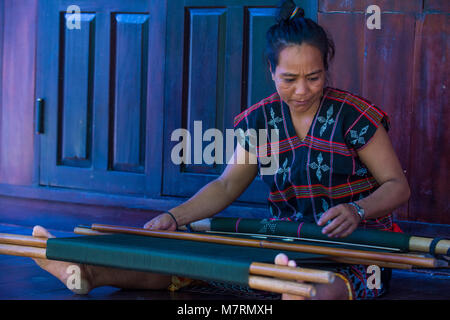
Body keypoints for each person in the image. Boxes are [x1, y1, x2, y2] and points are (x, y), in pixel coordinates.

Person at [32, 0, 410, 300]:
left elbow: (397, 185)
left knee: (320, 288)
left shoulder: (354, 115)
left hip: (357, 245)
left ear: (326, 70)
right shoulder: (260, 120)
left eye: (314, 77)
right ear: (270, 72)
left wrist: (357, 210)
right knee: (193, 260)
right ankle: (85, 272)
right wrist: (174, 216)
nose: (302, 90)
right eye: (289, 79)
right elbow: (227, 186)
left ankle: (295, 290)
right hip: (280, 240)